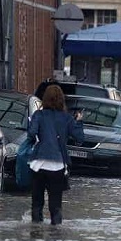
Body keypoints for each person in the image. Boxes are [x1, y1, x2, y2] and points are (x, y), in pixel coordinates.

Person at [27, 84, 84, 225]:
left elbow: (31, 134)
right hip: (58, 166)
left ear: (44, 99)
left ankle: (35, 235)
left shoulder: (38, 115)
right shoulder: (67, 118)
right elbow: (80, 139)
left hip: (38, 165)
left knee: (37, 204)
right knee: (56, 206)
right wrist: (79, 121)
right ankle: (55, 237)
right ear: (61, 100)